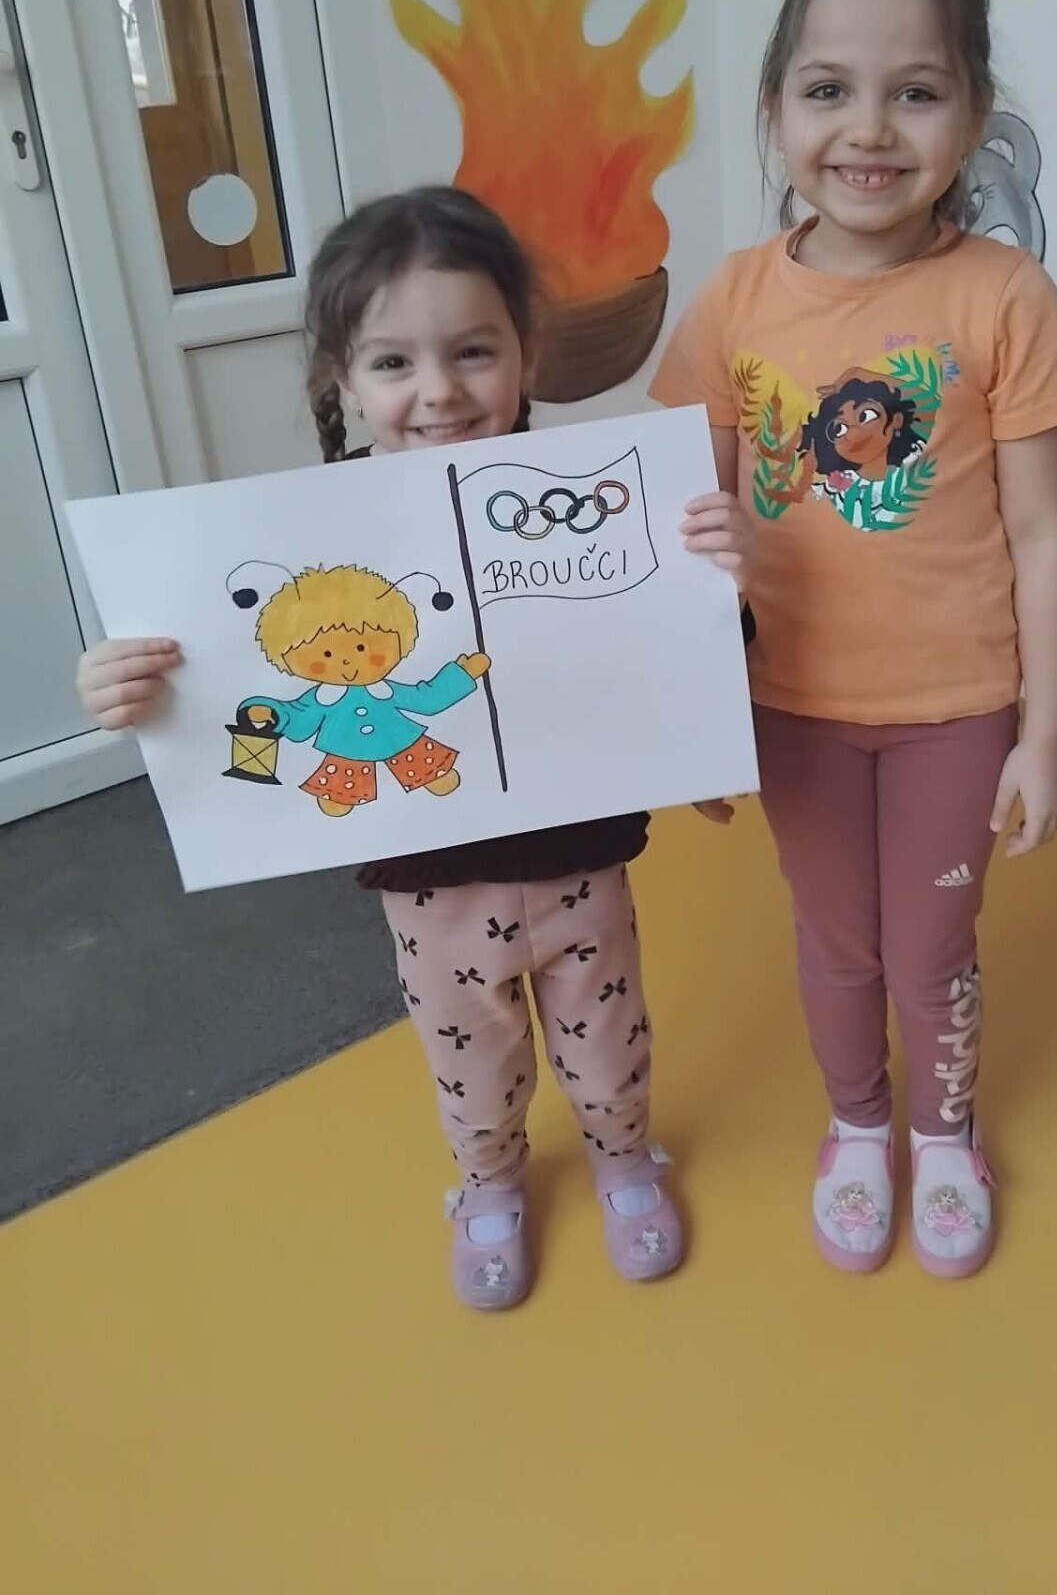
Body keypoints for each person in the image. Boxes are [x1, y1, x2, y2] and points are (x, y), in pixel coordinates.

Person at [74, 186, 751, 1312]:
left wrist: (720, 585)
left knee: (607, 1040)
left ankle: (626, 1158)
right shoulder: (296, 543)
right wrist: (125, 685)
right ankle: (489, 1184)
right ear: (342, 379)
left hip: (581, 862)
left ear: (527, 353)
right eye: (393, 362)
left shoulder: (595, 502)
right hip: (430, 885)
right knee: (468, 1059)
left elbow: (673, 654)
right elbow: (231, 694)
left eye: (473, 351)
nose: (438, 391)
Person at [651, 0, 1057, 1277]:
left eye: (915, 92)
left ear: (973, 117)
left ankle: (944, 1132)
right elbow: (682, 536)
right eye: (827, 89)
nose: (868, 130)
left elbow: (1044, 534)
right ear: (775, 111)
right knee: (839, 943)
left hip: (958, 709)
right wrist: (693, 724)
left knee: (931, 943)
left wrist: (1046, 732)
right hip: (790, 705)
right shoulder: (733, 303)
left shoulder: (1006, 297)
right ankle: (858, 1124)